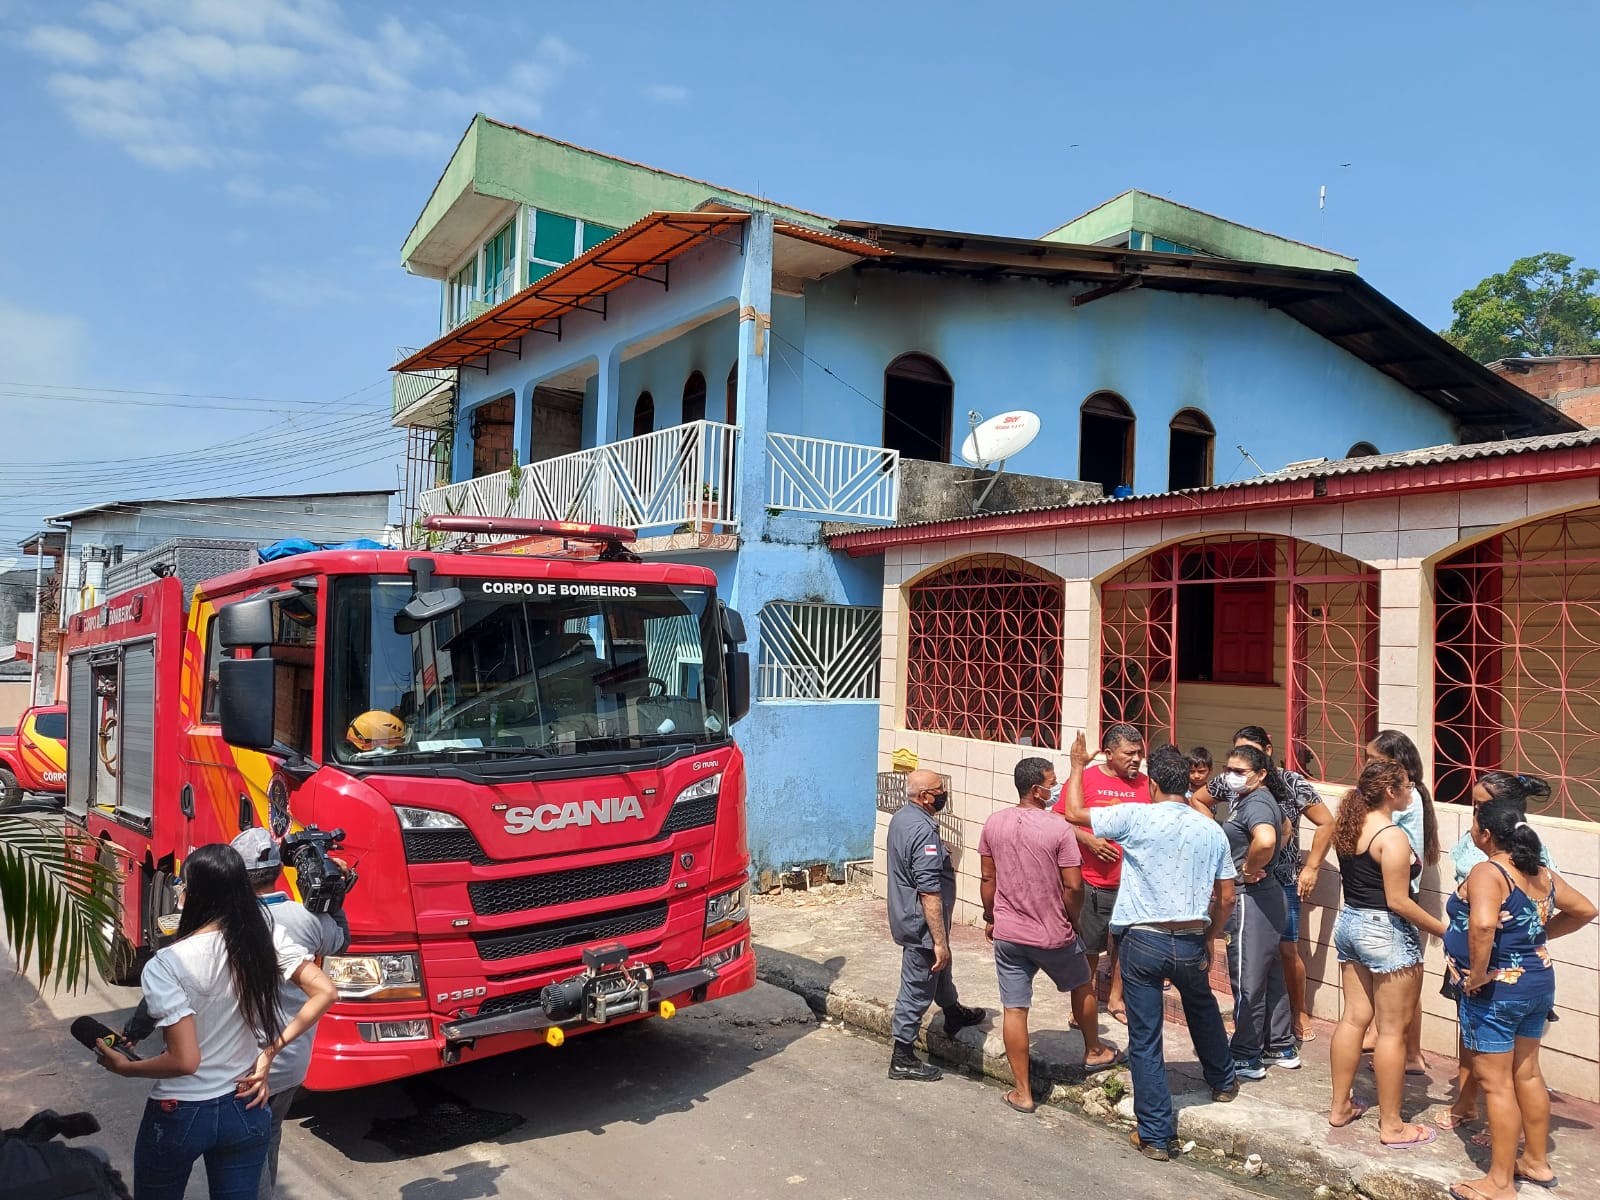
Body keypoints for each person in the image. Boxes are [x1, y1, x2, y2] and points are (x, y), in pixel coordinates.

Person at [93, 844, 338, 1200]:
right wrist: (269, 1052)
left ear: (192, 893)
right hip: (245, 1104)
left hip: (179, 1113)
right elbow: (325, 992)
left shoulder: (167, 963)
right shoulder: (264, 938)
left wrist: (125, 1067)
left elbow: (185, 1060)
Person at [1057, 737, 1238, 1162]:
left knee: (1145, 1035)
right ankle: (1224, 1080)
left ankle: (1156, 1134)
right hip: (1192, 936)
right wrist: (1213, 935)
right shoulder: (1211, 829)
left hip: (1144, 939)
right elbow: (1226, 896)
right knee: (1202, 1006)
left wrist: (1078, 765)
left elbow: (1073, 814)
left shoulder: (1137, 817)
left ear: (1154, 784)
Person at [1443, 795, 1595, 1200]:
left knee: (1496, 1085)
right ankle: (1537, 1162)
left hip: (1497, 990)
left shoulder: (1488, 872)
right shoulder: (1540, 873)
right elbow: (1585, 909)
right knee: (1526, 1073)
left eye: (1475, 824)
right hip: (1537, 983)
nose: (1472, 830)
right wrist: (1537, 938)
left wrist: (1476, 977)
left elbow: (1482, 925)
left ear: (1487, 834)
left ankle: (1499, 1182)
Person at [980, 758, 1121, 1112]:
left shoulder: (994, 823)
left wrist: (990, 916)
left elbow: (987, 879)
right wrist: (1072, 921)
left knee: (1014, 1009)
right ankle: (1094, 1049)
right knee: (1082, 986)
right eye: (1051, 783)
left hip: (1010, 935)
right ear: (1035, 790)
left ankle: (1023, 1092)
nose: (1054, 789)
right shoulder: (1058, 830)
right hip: (1053, 934)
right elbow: (1074, 887)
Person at [1325, 761, 1446, 1147]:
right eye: (1408, 787)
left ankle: (1340, 1106)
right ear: (1391, 792)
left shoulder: (1350, 826)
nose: (1412, 793)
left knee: (1353, 1018)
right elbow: (1398, 901)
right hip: (1385, 931)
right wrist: (1444, 930)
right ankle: (1393, 1125)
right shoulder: (1391, 836)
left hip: (1351, 923)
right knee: (1392, 1031)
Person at [231, 828, 350, 1200]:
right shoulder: (306, 919)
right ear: (278, 872)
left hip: (238, 1066)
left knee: (242, 1159)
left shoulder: (226, 922)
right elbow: (342, 940)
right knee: (268, 1140)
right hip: (289, 1063)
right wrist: (335, 895)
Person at [1437, 772, 1558, 1136]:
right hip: (1499, 970)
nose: (1474, 812)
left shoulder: (1510, 855)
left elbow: (1486, 923)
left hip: (1493, 975)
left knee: (1501, 1072)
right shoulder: (1480, 841)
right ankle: (1469, 1105)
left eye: (1481, 806)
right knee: (1492, 1055)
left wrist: (1478, 970)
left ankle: (1500, 1136)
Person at [1226, 726, 1333, 1044]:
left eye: (1250, 753)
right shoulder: (1234, 782)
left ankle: (1299, 1011)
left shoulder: (1291, 782)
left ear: (1267, 752)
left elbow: (1327, 822)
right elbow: (1203, 801)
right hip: (1244, 884)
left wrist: (1312, 867)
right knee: (1246, 953)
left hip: (1282, 880)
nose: (1240, 764)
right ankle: (1246, 1017)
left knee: (1287, 950)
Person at [885, 769, 986, 1081]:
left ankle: (952, 1011)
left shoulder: (903, 818)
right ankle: (902, 1056)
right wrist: (938, 939)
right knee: (917, 985)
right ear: (925, 796)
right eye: (940, 790)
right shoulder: (923, 831)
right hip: (921, 923)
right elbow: (929, 892)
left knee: (940, 966)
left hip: (909, 915)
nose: (944, 793)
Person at [1052, 722, 1148, 1026]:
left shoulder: (1147, 785)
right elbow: (1058, 820)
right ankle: (1084, 1004)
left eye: (1139, 754)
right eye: (1128, 754)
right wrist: (1088, 839)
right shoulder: (1086, 780)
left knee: (1125, 946)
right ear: (1108, 753)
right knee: (1090, 948)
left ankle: (1116, 999)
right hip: (1093, 883)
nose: (1135, 759)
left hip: (1133, 884)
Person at [1217, 743, 1298, 1079]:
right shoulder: (1258, 800)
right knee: (1270, 972)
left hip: (1251, 897)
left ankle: (1245, 1054)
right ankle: (1279, 1044)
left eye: (1239, 771)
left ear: (1261, 774)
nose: (1231, 776)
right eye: (1229, 769)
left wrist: (1249, 868)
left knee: (1247, 974)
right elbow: (1287, 829)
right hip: (1267, 897)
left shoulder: (1258, 801)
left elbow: (1266, 838)